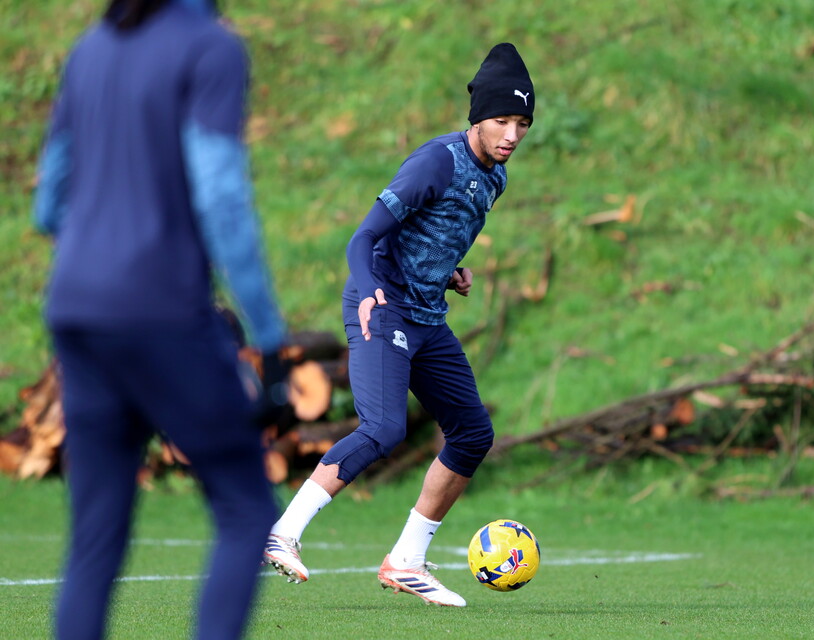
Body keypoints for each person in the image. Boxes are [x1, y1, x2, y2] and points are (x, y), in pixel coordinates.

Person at [33, 0, 288, 638]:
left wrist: (101, 250)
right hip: (161, 311)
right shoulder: (211, 48)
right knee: (244, 508)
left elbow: (48, 202)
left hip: (76, 309)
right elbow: (221, 199)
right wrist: (268, 334)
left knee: (95, 539)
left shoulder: (91, 47)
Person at [263, 42, 535, 607]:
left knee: (473, 432)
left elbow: (432, 232)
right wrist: (367, 293)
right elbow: (362, 236)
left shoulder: (495, 179)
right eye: (502, 120)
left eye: (522, 122)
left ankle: (406, 561)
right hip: (380, 305)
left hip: (426, 315)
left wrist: (449, 270)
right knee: (383, 428)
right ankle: (281, 533)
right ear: (477, 118)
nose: (511, 133)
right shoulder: (436, 161)